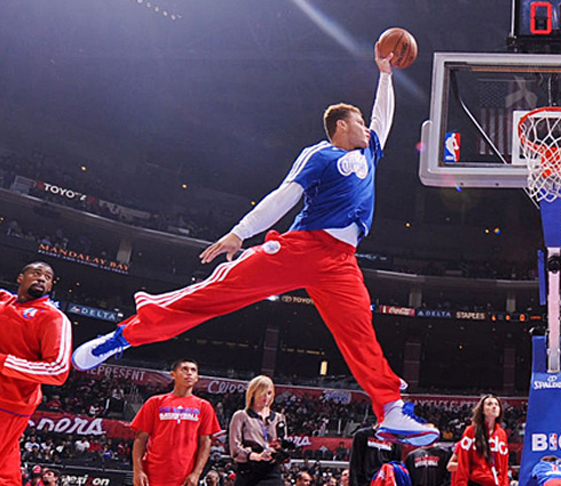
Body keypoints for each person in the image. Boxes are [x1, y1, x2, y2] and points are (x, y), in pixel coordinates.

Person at [71, 39, 438, 447]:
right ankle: (122, 337)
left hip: (341, 261)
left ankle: (390, 410)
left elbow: (383, 118)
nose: (366, 127)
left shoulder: (369, 150)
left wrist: (385, 75)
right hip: (301, 249)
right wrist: (240, 232)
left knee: (360, 333)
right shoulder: (319, 155)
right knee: (216, 294)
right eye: (358, 122)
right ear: (340, 127)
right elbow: (284, 196)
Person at [0, 262, 72, 486]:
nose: (42, 279)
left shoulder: (54, 318)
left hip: (10, 402)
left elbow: (58, 371)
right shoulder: (4, 301)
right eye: (36, 273)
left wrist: (3, 362)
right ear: (21, 277)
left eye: (48, 277)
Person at [131, 358, 221, 486]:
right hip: (153, 474)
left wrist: (196, 473)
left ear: (197, 378)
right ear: (173, 375)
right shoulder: (155, 402)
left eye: (193, 370)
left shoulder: (204, 406)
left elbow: (205, 442)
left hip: (185, 477)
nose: (189, 373)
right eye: (184, 369)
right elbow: (140, 438)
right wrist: (138, 471)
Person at [229, 376, 288, 486]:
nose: (266, 397)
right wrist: (256, 456)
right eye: (262, 393)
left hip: (272, 472)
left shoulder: (279, 418)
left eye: (269, 393)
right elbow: (235, 449)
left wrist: (277, 452)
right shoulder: (241, 416)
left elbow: (283, 445)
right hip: (248, 472)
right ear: (253, 393)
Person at [452, 395, 509, 486]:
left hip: (495, 482)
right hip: (475, 482)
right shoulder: (470, 431)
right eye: (489, 404)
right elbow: (463, 461)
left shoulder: (501, 434)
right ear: (482, 410)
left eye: (496, 404)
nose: (494, 406)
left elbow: (504, 465)